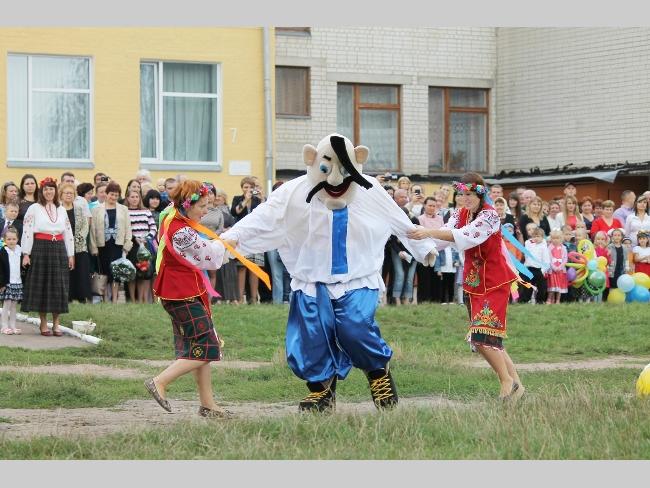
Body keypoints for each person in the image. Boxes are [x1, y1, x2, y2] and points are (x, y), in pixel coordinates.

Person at [222, 133, 437, 411]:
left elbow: (397, 219)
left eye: (345, 171)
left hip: (357, 277)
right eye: (326, 170)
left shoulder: (369, 188)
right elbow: (263, 217)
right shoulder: (293, 192)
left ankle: (378, 373)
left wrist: (423, 246)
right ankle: (322, 391)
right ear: (311, 160)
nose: (335, 180)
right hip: (311, 280)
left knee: (354, 327)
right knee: (312, 336)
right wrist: (232, 237)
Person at [408, 172, 524, 400]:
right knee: (489, 339)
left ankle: (506, 381)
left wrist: (427, 231)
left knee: (481, 336)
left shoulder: (490, 216)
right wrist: (414, 238)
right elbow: (443, 237)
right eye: (463, 194)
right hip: (473, 282)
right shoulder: (459, 213)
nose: (466, 198)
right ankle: (517, 386)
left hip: (494, 281)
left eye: (470, 194)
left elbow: (464, 235)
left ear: (481, 195)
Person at [146, 180, 236, 419]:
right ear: (187, 205)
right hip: (180, 293)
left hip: (183, 291)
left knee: (201, 346)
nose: (206, 211)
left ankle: (208, 405)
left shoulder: (173, 216)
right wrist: (226, 245)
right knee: (209, 346)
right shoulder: (181, 231)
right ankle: (159, 381)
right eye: (202, 206)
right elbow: (208, 256)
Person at [21, 177, 74, 337]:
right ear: (41, 192)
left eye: (51, 189)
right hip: (40, 248)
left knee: (59, 286)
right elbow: (27, 231)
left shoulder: (61, 209)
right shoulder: (34, 208)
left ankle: (56, 324)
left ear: (55, 191)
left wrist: (70, 254)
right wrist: (26, 253)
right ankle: (43, 323)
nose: (49, 191)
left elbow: (67, 232)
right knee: (42, 286)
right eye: (46, 189)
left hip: (59, 249)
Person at [89, 181, 133, 304]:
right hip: (102, 245)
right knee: (104, 272)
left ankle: (114, 299)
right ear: (106, 194)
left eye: (116, 195)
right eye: (111, 194)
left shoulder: (123, 209)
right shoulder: (96, 209)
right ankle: (104, 298)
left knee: (116, 273)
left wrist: (127, 245)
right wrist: (93, 248)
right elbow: (92, 230)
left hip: (117, 245)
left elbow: (128, 228)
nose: (113, 197)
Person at [231, 176, 263, 304]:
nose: (248, 189)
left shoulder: (258, 200)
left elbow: (264, 213)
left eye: (251, 187)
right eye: (246, 187)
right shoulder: (237, 199)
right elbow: (235, 212)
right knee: (242, 267)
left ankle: (253, 298)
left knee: (254, 267)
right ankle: (240, 298)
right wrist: (246, 200)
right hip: (242, 236)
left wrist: (262, 197)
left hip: (255, 237)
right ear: (242, 188)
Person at [60, 183, 92, 303]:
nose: (69, 195)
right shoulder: (58, 209)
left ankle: (82, 297)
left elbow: (85, 225)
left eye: (71, 193)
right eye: (66, 193)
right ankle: (67, 296)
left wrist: (79, 238)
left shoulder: (79, 207)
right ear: (61, 195)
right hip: (63, 245)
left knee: (81, 271)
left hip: (79, 244)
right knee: (66, 271)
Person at [125, 189, 157, 303]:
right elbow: (125, 228)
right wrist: (135, 238)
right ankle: (133, 300)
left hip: (144, 245)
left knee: (143, 273)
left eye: (136, 197)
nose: (134, 199)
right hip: (132, 245)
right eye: (132, 197)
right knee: (132, 273)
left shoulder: (146, 211)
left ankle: (142, 299)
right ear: (127, 198)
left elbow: (153, 227)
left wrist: (147, 238)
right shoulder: (125, 212)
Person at [0, 227, 23, 335]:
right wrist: (2, 283)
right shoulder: (3, 252)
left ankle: (13, 326)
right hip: (7, 283)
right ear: (5, 240)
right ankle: (4, 327)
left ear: (17, 239)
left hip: (17, 282)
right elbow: (1, 270)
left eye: (13, 239)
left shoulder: (20, 250)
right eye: (9, 239)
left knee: (14, 306)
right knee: (6, 305)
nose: (11, 241)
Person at [519, 227, 550, 304]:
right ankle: (525, 300)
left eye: (538, 236)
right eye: (534, 236)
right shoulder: (528, 244)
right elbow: (526, 253)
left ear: (542, 237)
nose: (536, 238)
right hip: (529, 269)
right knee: (527, 286)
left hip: (539, 270)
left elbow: (546, 261)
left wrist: (542, 271)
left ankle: (540, 300)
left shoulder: (543, 247)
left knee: (541, 287)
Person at [546, 229, 568, 305]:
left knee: (559, 286)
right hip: (552, 270)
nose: (555, 240)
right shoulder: (549, 248)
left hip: (561, 270)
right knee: (552, 285)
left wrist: (560, 267)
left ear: (561, 239)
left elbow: (565, 258)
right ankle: (550, 299)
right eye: (553, 238)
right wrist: (554, 267)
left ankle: (558, 300)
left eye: (557, 238)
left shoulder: (563, 248)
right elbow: (549, 258)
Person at [606, 228, 629, 300]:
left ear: (622, 237)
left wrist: (627, 267)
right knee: (612, 285)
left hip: (621, 269)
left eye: (619, 235)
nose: (617, 237)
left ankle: (621, 299)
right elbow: (607, 258)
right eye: (615, 235)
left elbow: (626, 259)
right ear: (612, 237)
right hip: (612, 270)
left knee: (621, 284)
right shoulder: (610, 246)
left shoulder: (624, 247)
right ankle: (611, 298)